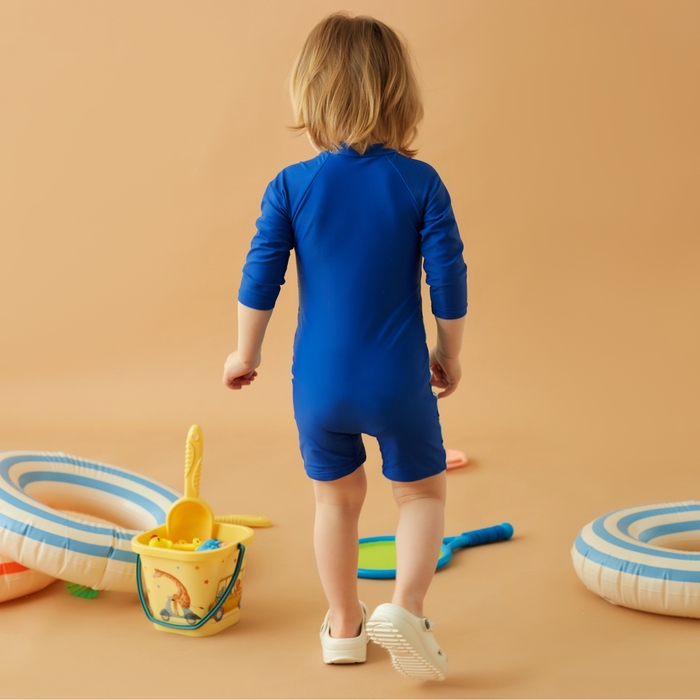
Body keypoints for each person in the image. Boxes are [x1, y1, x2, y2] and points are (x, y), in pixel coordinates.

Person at [223, 11, 467, 682]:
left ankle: (342, 624)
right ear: (399, 93)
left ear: (311, 93)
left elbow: (261, 275)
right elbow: (447, 278)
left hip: (319, 384)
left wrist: (245, 355)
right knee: (421, 496)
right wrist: (449, 352)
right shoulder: (420, 183)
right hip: (398, 380)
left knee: (335, 501)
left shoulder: (291, 185)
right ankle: (407, 609)